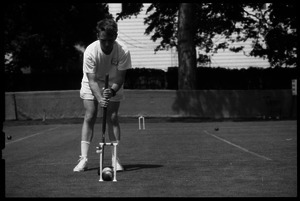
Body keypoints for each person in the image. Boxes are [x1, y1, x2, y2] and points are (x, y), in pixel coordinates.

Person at [73, 18, 132, 172]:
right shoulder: (90, 51)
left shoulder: (123, 51)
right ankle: (83, 159)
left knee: (112, 117)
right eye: (103, 40)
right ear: (98, 35)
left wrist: (111, 91)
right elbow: (92, 80)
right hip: (91, 82)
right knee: (90, 115)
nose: (106, 44)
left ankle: (115, 158)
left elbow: (120, 77)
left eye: (110, 40)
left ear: (116, 36)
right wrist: (100, 98)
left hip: (113, 82)